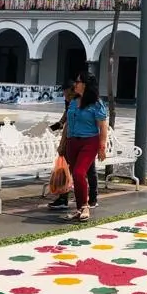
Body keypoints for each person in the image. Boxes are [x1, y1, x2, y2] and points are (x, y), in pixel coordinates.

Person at [61, 72, 107, 222]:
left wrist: (102, 147)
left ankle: (86, 206)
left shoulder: (96, 103)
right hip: (72, 142)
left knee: (80, 172)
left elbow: (102, 126)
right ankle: (79, 208)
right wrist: (63, 143)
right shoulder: (73, 102)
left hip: (89, 142)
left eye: (78, 82)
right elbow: (68, 123)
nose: (75, 84)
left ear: (86, 85)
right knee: (75, 174)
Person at [48, 81, 98, 211]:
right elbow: (66, 118)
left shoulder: (87, 102)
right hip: (74, 141)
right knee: (75, 171)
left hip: (86, 140)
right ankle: (70, 199)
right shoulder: (72, 103)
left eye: (66, 93)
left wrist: (100, 144)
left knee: (86, 171)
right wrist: (59, 124)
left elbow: (99, 123)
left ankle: (91, 199)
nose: (65, 97)